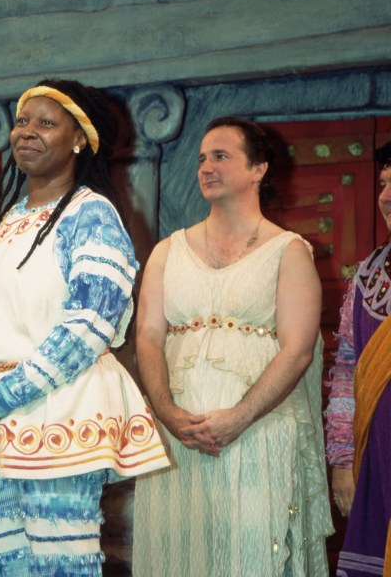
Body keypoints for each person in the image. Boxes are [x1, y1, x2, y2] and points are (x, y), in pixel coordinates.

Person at [0, 80, 169, 577]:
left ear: (79, 139)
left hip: (57, 410)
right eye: (23, 121)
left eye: (46, 123)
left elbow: (88, 327)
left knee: (61, 568)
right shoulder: (6, 221)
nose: (26, 132)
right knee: (1, 568)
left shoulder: (92, 214)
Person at [132, 117, 333, 576]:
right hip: (177, 441)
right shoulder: (167, 251)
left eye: (221, 156)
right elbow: (147, 335)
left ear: (258, 168)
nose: (206, 167)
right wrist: (166, 411)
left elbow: (298, 350)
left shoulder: (289, 251)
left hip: (257, 438)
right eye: (202, 158)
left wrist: (237, 419)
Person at [330, 141, 391, 576]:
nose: (385, 196)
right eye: (384, 184)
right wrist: (343, 461)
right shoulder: (369, 277)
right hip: (379, 461)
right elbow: (347, 372)